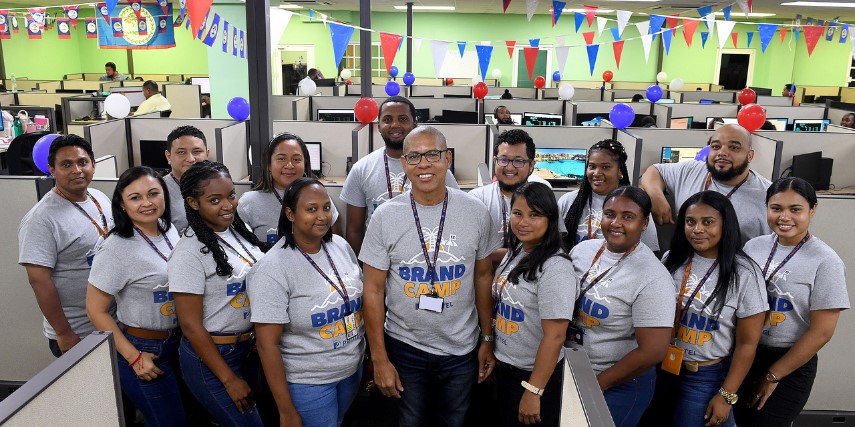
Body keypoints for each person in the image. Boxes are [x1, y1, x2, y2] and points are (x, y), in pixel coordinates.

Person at [360, 126, 501, 426]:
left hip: (461, 348)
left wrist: (487, 338)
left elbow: (483, 276)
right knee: (409, 422)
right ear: (404, 163)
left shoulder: (475, 212)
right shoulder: (385, 216)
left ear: (447, 159)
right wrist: (379, 358)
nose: (423, 164)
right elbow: (371, 290)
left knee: (455, 421)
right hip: (404, 346)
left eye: (432, 154)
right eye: (414, 157)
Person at [250, 178, 365, 427]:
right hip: (309, 381)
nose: (322, 216)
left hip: (350, 371)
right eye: (311, 209)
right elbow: (266, 344)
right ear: (290, 214)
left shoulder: (341, 247)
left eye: (326, 207)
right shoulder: (273, 267)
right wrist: (286, 410)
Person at [734, 177, 850, 426]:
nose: (784, 217)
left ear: (812, 210)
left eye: (795, 209)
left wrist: (773, 375)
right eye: (776, 208)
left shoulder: (826, 261)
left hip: (789, 361)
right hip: (746, 353)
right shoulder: (754, 247)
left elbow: (822, 332)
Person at [645, 191, 767, 427]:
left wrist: (726, 396)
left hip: (703, 377)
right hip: (661, 368)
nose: (697, 229)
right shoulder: (673, 259)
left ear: (726, 225)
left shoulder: (744, 273)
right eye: (690, 222)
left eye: (707, 222)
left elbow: (747, 344)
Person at [168, 161, 270, 427]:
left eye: (231, 196)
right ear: (192, 202)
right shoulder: (188, 252)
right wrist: (229, 379)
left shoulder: (236, 229)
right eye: (215, 200)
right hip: (214, 357)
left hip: (248, 348)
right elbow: (189, 325)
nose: (228, 205)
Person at [86, 166, 186, 426]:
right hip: (144, 348)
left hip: (178, 341)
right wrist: (134, 357)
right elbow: (95, 311)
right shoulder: (116, 247)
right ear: (122, 203)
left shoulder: (168, 230)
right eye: (135, 197)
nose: (147, 203)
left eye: (153, 193)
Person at [568, 186, 675, 427]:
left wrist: (599, 384)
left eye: (628, 217)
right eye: (609, 214)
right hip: (575, 369)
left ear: (644, 223)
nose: (616, 223)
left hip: (618, 382)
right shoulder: (583, 251)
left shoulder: (653, 277)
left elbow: (653, 351)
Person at [19, 135, 115, 357]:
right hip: (78, 331)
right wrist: (64, 333)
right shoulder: (41, 219)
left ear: (93, 165)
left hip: (110, 321)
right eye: (66, 164)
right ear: (52, 170)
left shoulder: (98, 197)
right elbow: (39, 281)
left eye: (82, 162)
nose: (77, 170)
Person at [492, 182, 578, 427]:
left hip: (533, 376)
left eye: (534, 215)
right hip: (507, 367)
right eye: (517, 214)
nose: (523, 222)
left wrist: (533, 391)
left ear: (550, 220)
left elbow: (555, 336)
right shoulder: (520, 249)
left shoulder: (555, 268)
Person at [341, 96, 458, 255]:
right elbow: (354, 230)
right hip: (378, 260)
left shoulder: (435, 168)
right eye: (387, 119)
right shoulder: (361, 169)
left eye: (403, 119)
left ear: (415, 124)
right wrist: (363, 271)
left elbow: (453, 217)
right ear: (379, 126)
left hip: (423, 261)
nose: (395, 125)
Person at [640, 124, 772, 244]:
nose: (722, 152)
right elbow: (653, 171)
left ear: (750, 155)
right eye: (715, 146)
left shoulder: (769, 195)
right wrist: (655, 195)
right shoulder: (692, 170)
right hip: (684, 262)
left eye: (734, 147)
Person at [238, 132, 342, 244]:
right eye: (281, 159)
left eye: (296, 159)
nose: (289, 165)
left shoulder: (318, 196)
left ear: (305, 164)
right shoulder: (249, 203)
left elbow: (334, 243)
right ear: (269, 164)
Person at [559, 139, 658, 252]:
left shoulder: (635, 205)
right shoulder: (568, 201)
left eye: (605, 167)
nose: (596, 173)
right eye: (592, 167)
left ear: (620, 171)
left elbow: (650, 252)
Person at [469, 129, 551, 263]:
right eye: (503, 160)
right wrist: (528, 251)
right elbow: (471, 250)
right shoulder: (477, 198)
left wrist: (493, 254)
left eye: (518, 161)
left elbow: (551, 246)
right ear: (495, 161)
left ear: (531, 165)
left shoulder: (543, 195)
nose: (510, 167)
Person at [163, 125, 210, 233]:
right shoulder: (158, 191)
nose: (190, 159)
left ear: (207, 154)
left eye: (197, 151)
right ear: (168, 156)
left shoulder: (217, 184)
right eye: (181, 152)